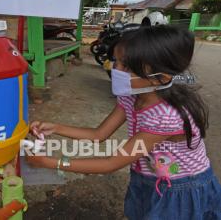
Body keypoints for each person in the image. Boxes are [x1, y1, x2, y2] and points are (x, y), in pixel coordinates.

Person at [27, 26, 221, 219]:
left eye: (126, 66)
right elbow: (98, 135)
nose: (115, 69)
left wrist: (51, 162)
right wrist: (57, 127)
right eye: (115, 61)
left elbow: (110, 163)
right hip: (148, 177)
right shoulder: (131, 97)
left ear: (160, 78)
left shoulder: (166, 116)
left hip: (180, 188)